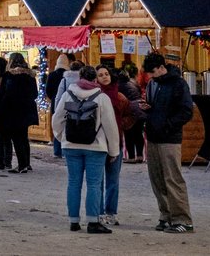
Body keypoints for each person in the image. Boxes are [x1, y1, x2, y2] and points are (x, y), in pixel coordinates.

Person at [52, 65, 120, 234]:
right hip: (96, 147)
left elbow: (56, 119)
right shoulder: (101, 97)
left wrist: (62, 139)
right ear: (95, 79)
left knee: (73, 183)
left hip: (71, 146)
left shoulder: (68, 94)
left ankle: (73, 221)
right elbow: (110, 126)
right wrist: (114, 151)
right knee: (94, 185)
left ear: (79, 78)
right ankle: (92, 221)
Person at [140, 53, 194, 234]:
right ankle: (166, 215)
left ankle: (183, 220)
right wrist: (148, 109)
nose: (150, 75)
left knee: (173, 179)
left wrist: (168, 125)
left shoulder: (178, 84)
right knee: (157, 179)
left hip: (169, 139)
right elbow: (155, 106)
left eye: (153, 72)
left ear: (162, 67)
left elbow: (186, 111)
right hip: (153, 137)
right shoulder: (152, 84)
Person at [95, 65, 134, 226]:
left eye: (106, 74)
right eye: (101, 75)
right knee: (98, 181)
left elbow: (130, 115)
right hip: (97, 143)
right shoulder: (95, 95)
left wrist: (119, 125)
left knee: (113, 180)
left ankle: (111, 212)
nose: (105, 77)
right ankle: (98, 213)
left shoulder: (119, 97)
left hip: (115, 142)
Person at [0, 52, 39, 173]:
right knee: (24, 137)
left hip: (13, 110)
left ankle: (21, 164)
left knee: (16, 137)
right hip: (27, 110)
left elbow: (5, 94)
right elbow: (35, 93)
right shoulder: (30, 76)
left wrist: (0, 109)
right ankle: (26, 163)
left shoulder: (10, 75)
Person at [118, 63, 145, 163]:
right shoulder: (134, 82)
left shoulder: (118, 85)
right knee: (138, 133)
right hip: (139, 109)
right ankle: (140, 155)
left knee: (129, 133)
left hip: (129, 110)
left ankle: (131, 157)